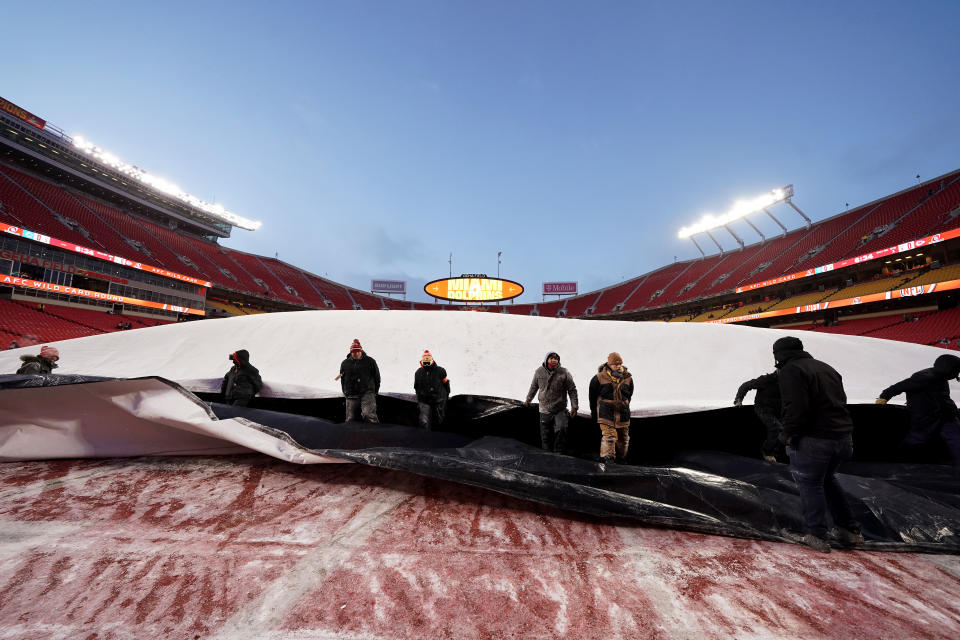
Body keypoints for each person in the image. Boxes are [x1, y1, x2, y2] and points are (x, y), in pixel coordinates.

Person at [774, 336, 862, 553]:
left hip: (815, 439)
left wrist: (786, 434)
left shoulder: (791, 370)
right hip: (842, 437)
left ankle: (816, 534)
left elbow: (797, 408)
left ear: (779, 354)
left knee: (810, 484)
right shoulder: (826, 367)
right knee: (828, 480)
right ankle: (848, 530)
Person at [875, 354, 960, 466]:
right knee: (915, 441)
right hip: (926, 419)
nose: (956, 375)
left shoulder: (941, 377)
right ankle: (895, 462)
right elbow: (898, 387)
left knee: (956, 440)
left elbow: (943, 398)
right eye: (956, 371)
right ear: (950, 369)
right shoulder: (923, 378)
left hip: (945, 416)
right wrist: (884, 397)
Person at [524, 351, 579, 454]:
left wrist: (574, 406)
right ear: (546, 359)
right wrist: (528, 399)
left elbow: (572, 390)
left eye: (556, 359)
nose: (554, 360)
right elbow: (534, 387)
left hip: (560, 408)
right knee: (545, 434)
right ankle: (546, 453)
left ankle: (559, 452)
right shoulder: (539, 372)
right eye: (551, 358)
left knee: (562, 429)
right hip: (544, 408)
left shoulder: (564, 372)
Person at [589, 352, 634, 464]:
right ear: (609, 365)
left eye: (620, 364)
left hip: (623, 413)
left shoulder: (628, 378)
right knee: (609, 436)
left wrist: (625, 404)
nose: (618, 366)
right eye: (615, 364)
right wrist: (594, 412)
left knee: (623, 438)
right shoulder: (599, 378)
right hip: (606, 413)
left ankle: (621, 458)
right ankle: (607, 458)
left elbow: (629, 394)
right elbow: (592, 396)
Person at [734, 371, 784, 462]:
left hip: (778, 410)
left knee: (788, 428)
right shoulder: (766, 380)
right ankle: (767, 452)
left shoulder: (790, 382)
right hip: (763, 408)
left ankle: (778, 452)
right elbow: (745, 385)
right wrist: (739, 399)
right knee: (776, 428)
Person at [337, 339, 380, 423]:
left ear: (361, 351)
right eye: (353, 352)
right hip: (351, 394)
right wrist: (345, 392)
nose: (356, 353)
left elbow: (377, 377)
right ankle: (352, 435)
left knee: (369, 415)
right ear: (351, 352)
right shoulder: (345, 363)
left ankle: (373, 434)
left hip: (367, 392)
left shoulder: (370, 361)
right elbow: (342, 379)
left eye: (357, 351)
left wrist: (375, 391)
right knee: (351, 419)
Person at [414, 349, 450, 430]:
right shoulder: (418, 372)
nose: (426, 364)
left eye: (428, 362)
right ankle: (424, 437)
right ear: (422, 361)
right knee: (424, 421)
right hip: (424, 400)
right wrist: (419, 399)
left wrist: (446, 396)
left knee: (439, 422)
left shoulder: (441, 371)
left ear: (432, 361)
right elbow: (416, 386)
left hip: (439, 400)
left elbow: (446, 383)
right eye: (425, 362)